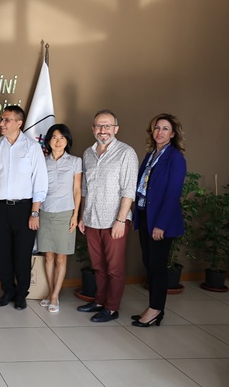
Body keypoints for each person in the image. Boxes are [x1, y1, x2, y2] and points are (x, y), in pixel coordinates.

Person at [0, 106, 48, 310]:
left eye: (6, 120)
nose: (1, 123)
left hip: (25, 208)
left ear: (19, 123)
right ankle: (8, 291)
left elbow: (39, 182)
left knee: (22, 254)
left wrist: (35, 212)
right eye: (1, 119)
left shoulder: (32, 147)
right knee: (2, 253)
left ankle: (21, 294)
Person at [77, 109, 139, 322]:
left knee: (114, 268)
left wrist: (121, 220)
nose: (103, 130)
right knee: (98, 266)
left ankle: (111, 308)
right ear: (93, 129)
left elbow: (129, 190)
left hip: (114, 221)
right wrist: (83, 216)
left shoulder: (126, 153)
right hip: (92, 219)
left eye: (107, 126)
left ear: (116, 129)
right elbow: (85, 188)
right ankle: (99, 301)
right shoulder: (88, 153)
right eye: (99, 126)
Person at [132, 114, 186, 327]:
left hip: (160, 221)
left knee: (157, 266)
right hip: (145, 215)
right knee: (149, 264)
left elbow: (173, 194)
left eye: (165, 128)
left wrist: (161, 225)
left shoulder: (175, 157)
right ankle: (153, 307)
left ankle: (156, 309)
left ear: (172, 134)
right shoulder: (151, 155)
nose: (160, 132)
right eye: (157, 128)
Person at [37, 124, 82, 313]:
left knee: (61, 257)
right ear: (48, 140)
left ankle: (55, 296)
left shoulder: (75, 161)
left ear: (67, 141)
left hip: (65, 213)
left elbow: (77, 190)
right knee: (48, 256)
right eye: (54, 137)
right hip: (45, 212)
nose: (58, 141)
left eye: (62, 138)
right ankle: (50, 292)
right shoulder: (42, 161)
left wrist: (75, 215)